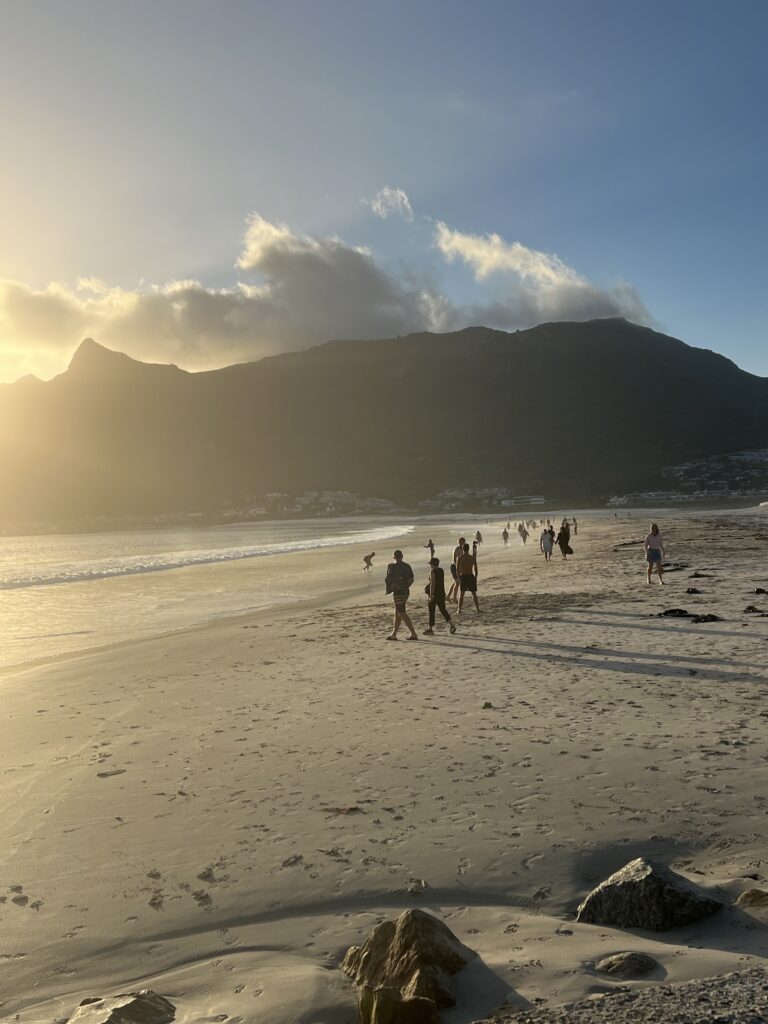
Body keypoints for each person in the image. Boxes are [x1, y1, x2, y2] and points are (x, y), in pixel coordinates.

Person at [385, 550, 418, 639]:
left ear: (394, 557)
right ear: (402, 556)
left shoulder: (392, 567)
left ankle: (413, 633)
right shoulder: (407, 566)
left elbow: (388, 579)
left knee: (402, 613)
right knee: (397, 613)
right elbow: (411, 579)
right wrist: (405, 586)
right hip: (405, 591)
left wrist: (394, 587)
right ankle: (394, 634)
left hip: (398, 592)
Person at [423, 557, 457, 636]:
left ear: (433, 564)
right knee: (443, 610)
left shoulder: (432, 572)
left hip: (435, 594)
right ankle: (452, 625)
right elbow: (441, 583)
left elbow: (432, 584)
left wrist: (431, 596)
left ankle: (430, 629)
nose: (430, 565)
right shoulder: (441, 570)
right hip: (441, 593)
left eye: (431, 564)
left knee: (432, 611)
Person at [457, 542, 480, 613]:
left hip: (463, 576)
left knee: (462, 594)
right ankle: (478, 609)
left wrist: (459, 578)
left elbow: (457, 570)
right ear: (469, 549)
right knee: (474, 594)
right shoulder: (472, 558)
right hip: (470, 575)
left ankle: (459, 610)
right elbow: (476, 568)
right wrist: (476, 577)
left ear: (462, 549)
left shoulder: (459, 558)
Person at [447, 535, 465, 604]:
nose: (463, 543)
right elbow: (455, 560)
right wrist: (459, 568)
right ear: (459, 542)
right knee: (457, 583)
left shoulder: (463, 549)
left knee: (455, 582)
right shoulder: (457, 549)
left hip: (460, 567)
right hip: (454, 567)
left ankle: (448, 596)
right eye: (462, 542)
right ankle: (454, 598)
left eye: (464, 542)